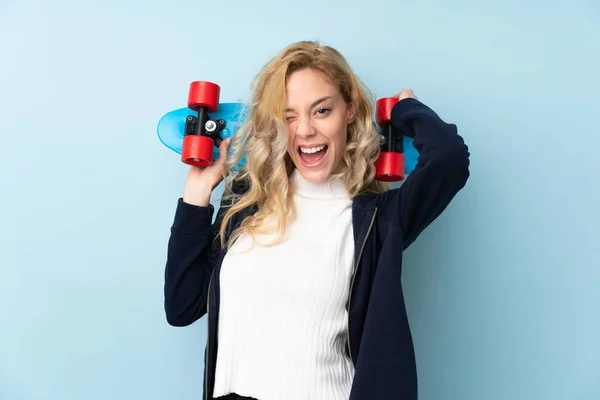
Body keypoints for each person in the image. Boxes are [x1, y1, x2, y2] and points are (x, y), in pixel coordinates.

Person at [163, 40, 470, 400]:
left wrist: (405, 110)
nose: (305, 131)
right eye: (289, 116)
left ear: (350, 110)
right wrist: (196, 199)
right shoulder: (248, 202)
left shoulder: (375, 220)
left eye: (321, 111)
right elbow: (182, 306)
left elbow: (449, 158)